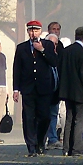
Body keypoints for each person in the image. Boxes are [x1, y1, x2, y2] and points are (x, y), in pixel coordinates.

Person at [13, 19, 58, 156]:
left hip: (44, 88)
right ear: (28, 32)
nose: (33, 33)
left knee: (44, 117)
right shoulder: (22, 48)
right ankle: (31, 147)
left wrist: (42, 50)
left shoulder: (48, 45)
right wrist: (16, 89)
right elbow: (17, 69)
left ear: (40, 31)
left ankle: (40, 142)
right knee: (28, 118)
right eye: (31, 30)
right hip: (28, 89)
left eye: (36, 30)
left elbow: (54, 62)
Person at [59, 27, 83, 157]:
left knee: (69, 119)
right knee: (80, 120)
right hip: (80, 93)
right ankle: (77, 149)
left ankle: (66, 148)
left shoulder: (66, 52)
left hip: (67, 91)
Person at [44, 23, 64, 148]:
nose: (56, 31)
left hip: (56, 87)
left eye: (57, 29)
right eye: (53, 29)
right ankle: (42, 139)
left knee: (54, 114)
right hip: (44, 88)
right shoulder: (43, 46)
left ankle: (52, 138)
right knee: (43, 115)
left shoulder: (61, 47)